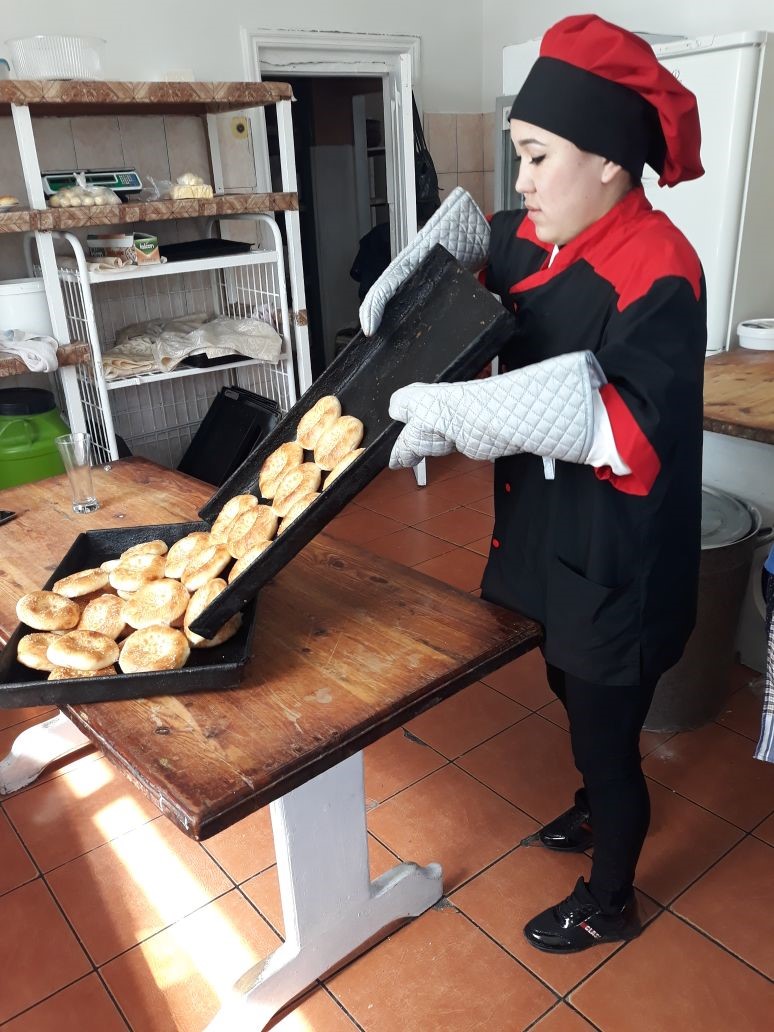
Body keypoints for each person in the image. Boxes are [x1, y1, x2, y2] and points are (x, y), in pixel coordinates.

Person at [359, 14, 707, 954]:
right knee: (561, 679)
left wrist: (468, 414)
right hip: (544, 538)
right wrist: (411, 289)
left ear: (611, 161)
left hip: (618, 561)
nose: (519, 181)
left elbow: (626, 429)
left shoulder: (660, 271)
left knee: (606, 732)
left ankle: (611, 897)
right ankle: (596, 801)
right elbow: (464, 285)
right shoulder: (528, 237)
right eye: (518, 155)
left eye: (537, 157)